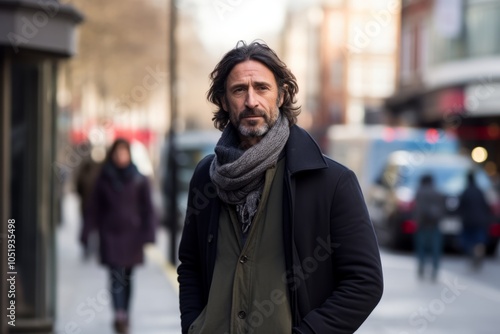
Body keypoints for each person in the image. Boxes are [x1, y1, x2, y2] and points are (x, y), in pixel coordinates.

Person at [177, 41, 383, 334]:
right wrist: (193, 326)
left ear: (282, 95)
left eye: (262, 88)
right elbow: (191, 265)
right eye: (239, 90)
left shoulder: (331, 182)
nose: (251, 101)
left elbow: (365, 282)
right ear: (224, 101)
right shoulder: (206, 177)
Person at [81, 138, 157, 334]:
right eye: (117, 153)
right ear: (112, 154)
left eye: (124, 153)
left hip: (133, 236)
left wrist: (149, 234)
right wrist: (86, 232)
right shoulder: (103, 178)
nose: (120, 156)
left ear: (129, 155)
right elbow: (93, 208)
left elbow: (148, 209)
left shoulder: (139, 178)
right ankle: (119, 314)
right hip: (111, 235)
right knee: (116, 276)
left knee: (128, 277)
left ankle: (125, 312)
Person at [458, 170, 493, 270]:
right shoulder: (480, 191)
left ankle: (473, 255)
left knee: (468, 240)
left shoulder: (465, 192)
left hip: (468, 221)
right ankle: (478, 253)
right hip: (480, 220)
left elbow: (460, 207)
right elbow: (486, 206)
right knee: (479, 240)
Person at [413, 174, 445, 281]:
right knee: (435, 248)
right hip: (435, 223)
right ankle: (434, 270)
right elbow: (443, 208)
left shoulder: (420, 192)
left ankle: (421, 266)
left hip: (423, 224)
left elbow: (417, 208)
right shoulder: (437, 192)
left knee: (421, 247)